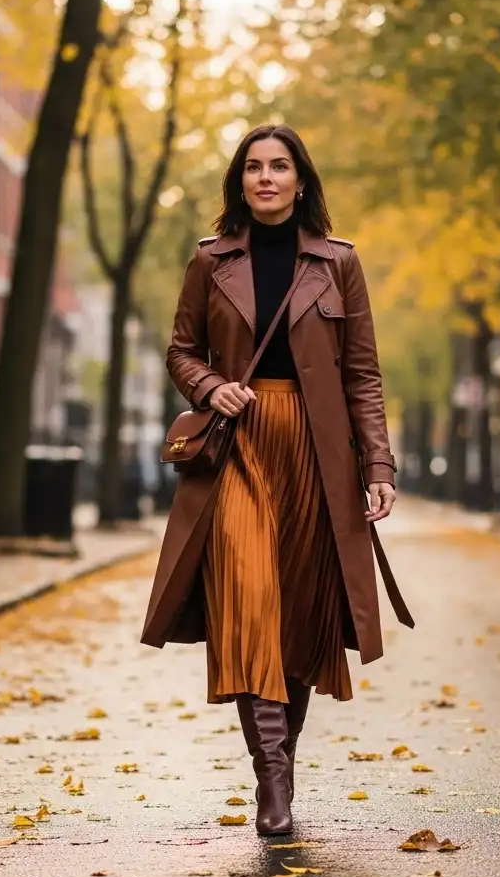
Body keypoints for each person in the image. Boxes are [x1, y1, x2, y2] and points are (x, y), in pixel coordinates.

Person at [141, 124, 412, 836]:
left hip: (318, 454)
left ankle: (280, 759)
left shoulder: (338, 264)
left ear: (300, 180)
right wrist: (209, 388)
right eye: (254, 167)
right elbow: (179, 350)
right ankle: (273, 777)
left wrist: (377, 466)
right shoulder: (209, 262)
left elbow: (362, 375)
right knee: (248, 602)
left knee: (297, 618)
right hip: (238, 448)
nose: (266, 177)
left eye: (279, 166)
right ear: (240, 182)